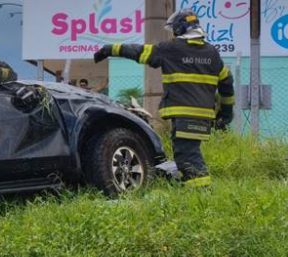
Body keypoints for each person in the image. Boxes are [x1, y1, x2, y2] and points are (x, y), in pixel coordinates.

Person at [93, 9, 235, 188]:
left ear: (179, 29)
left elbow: (139, 51)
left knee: (187, 156)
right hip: (204, 116)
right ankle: (193, 187)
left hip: (184, 114)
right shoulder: (212, 53)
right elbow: (227, 83)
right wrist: (225, 114)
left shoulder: (172, 48)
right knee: (189, 151)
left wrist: (109, 49)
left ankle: (202, 191)